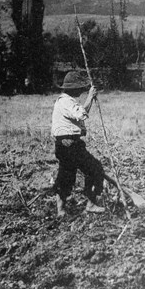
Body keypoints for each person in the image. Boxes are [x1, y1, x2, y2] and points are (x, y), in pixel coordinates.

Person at [51, 71, 106, 217]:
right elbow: (81, 114)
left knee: (70, 174)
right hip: (68, 144)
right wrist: (90, 96)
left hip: (71, 143)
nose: (81, 91)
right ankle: (88, 204)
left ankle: (64, 209)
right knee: (91, 169)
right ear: (72, 88)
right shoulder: (65, 101)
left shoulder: (67, 101)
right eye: (79, 88)